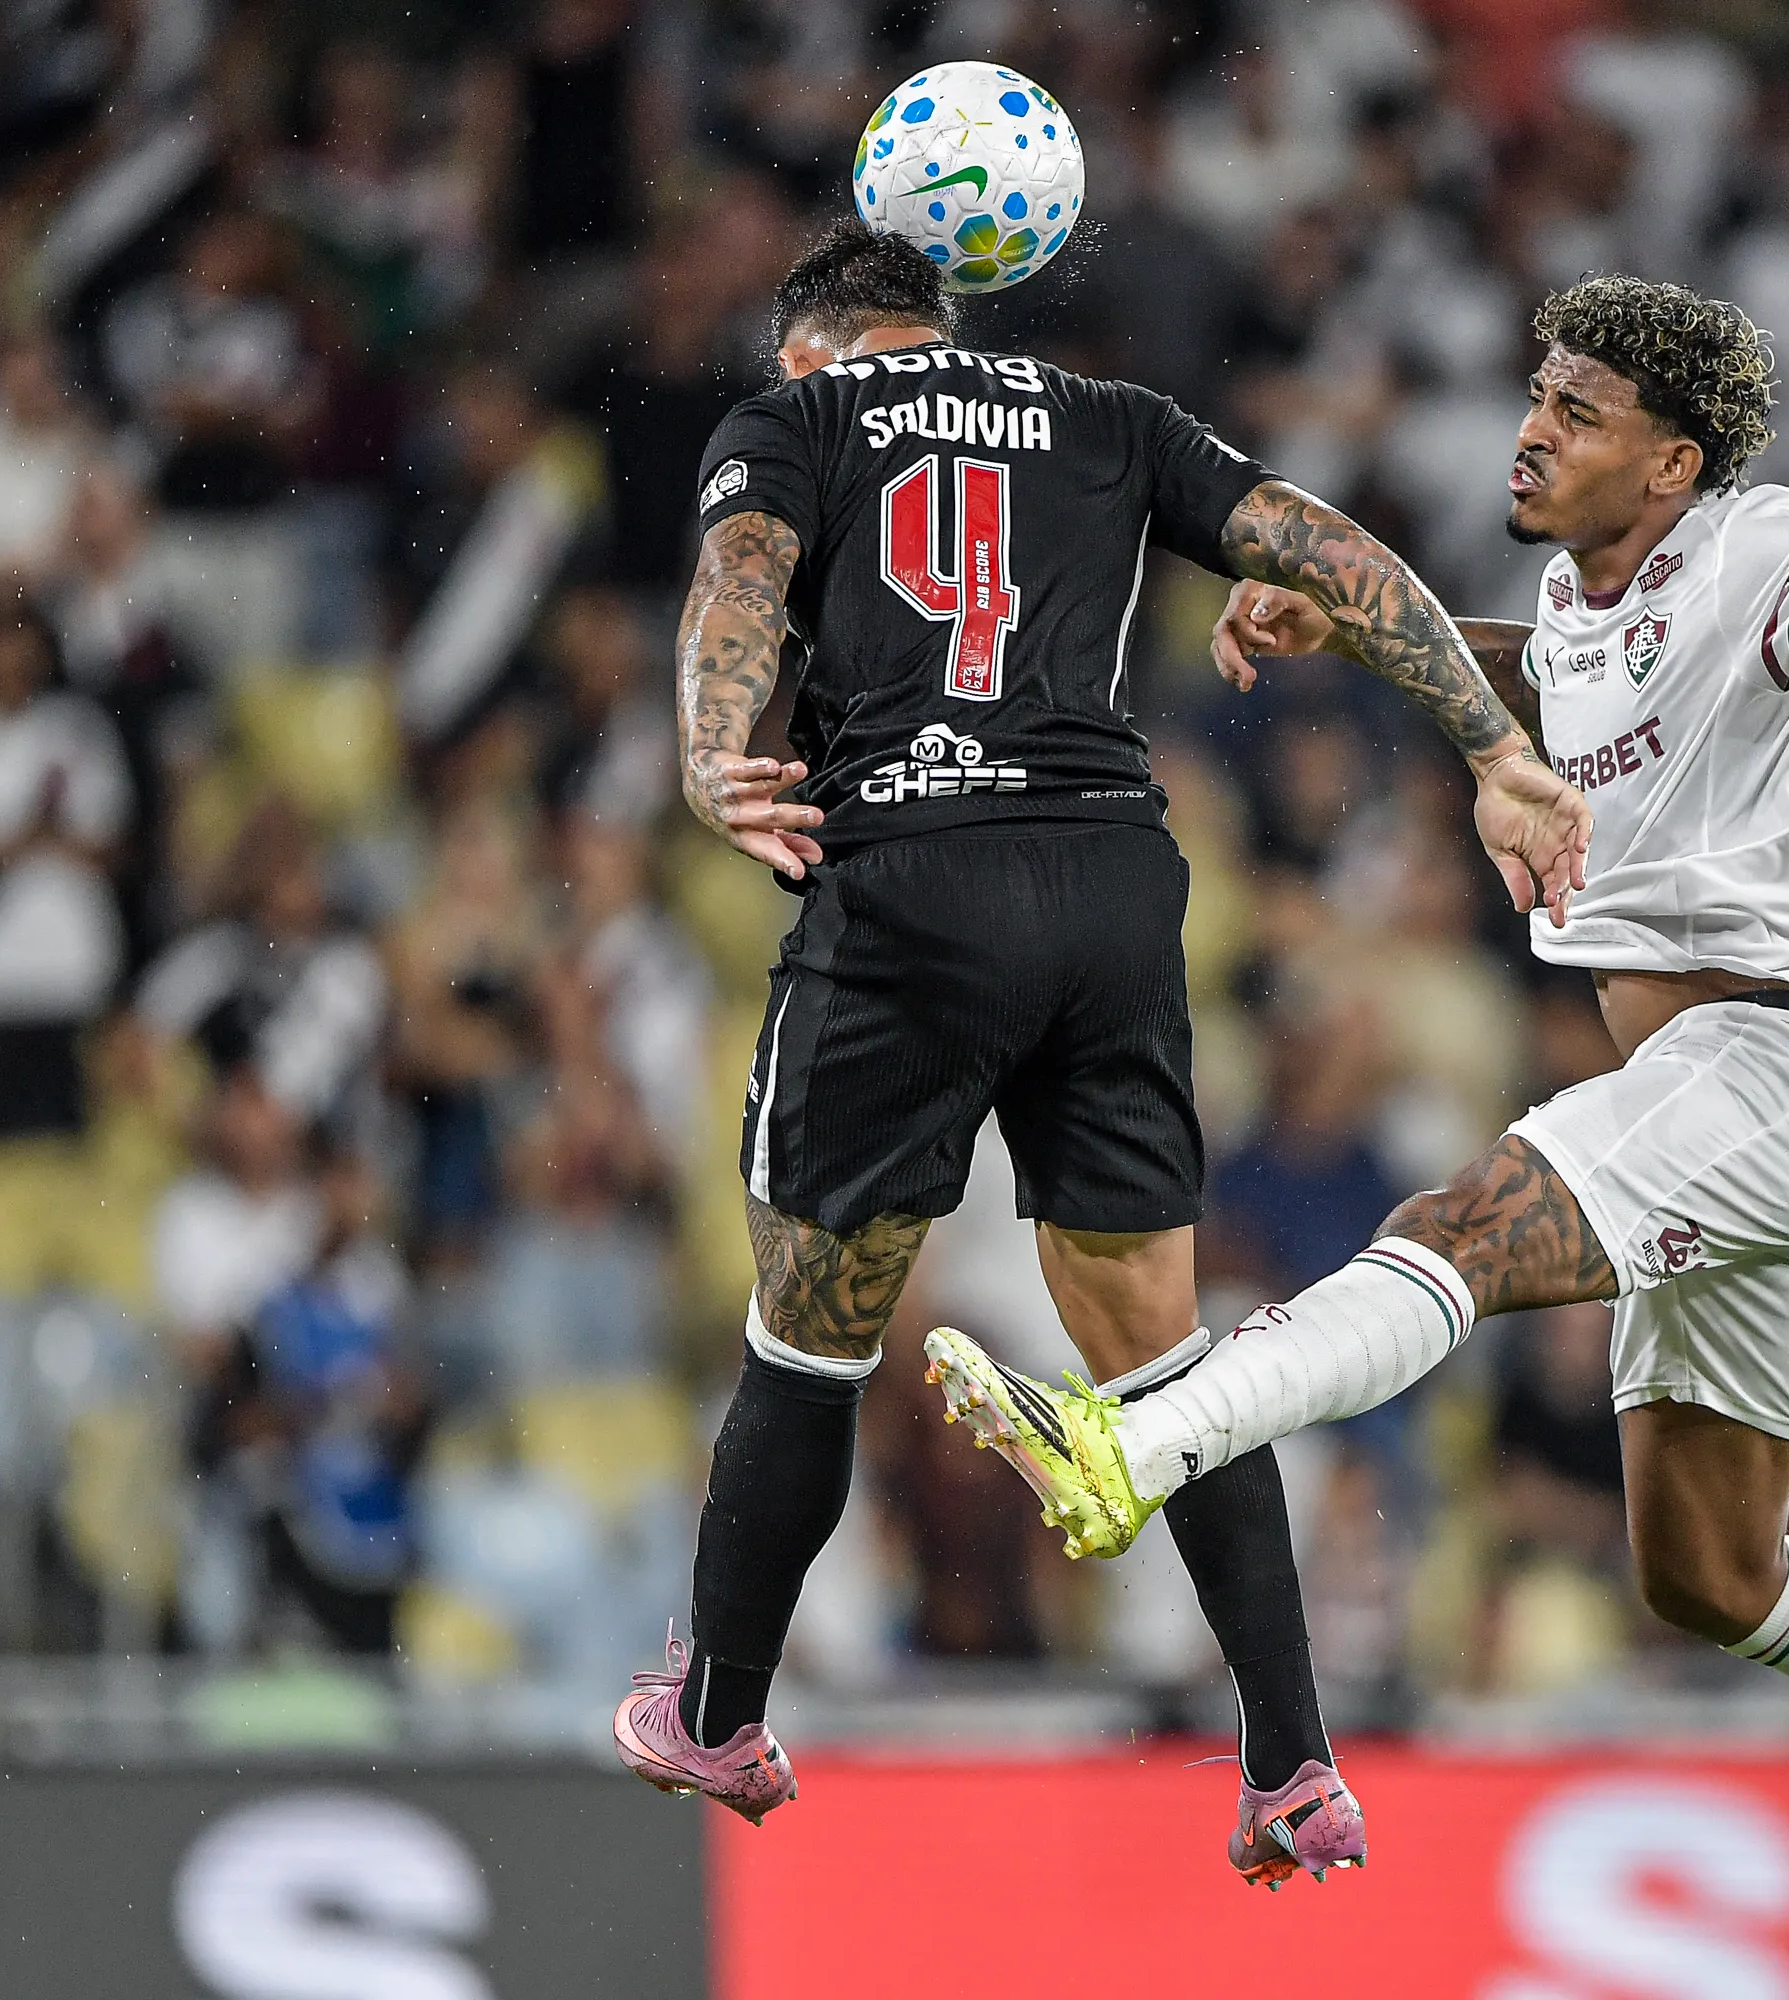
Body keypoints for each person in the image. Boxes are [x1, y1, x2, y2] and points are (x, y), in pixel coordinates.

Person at [925, 277, 1789, 1981]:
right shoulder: (1587, 591)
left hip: (1770, 1068)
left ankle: (1137, 1447)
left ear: (1672, 463)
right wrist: (1351, 623)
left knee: (1461, 1225)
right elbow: (1570, 674)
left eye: (1576, 413)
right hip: (1757, 1110)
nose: (1531, 428)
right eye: (1537, 395)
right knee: (1711, 1576)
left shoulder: (1761, 553)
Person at [607, 218, 1591, 1884]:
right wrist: (1496, 750)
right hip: (1115, 887)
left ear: (810, 347)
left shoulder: (794, 421)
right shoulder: (1110, 415)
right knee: (1163, 1358)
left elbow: (741, 585)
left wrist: (713, 750)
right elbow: (1331, 549)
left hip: (911, 879)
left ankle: (719, 1708)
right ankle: (1289, 1760)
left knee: (811, 1327)